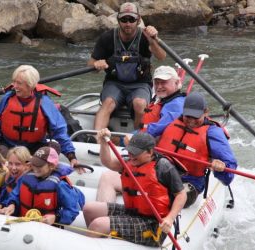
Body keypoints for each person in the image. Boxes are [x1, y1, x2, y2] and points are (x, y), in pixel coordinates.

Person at [96, 65, 186, 202]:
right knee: (113, 159)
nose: (160, 86)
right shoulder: (161, 100)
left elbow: (161, 126)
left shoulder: (176, 104)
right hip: (147, 150)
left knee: (116, 155)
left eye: (164, 82)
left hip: (156, 156)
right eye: (157, 83)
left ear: (177, 83)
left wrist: (134, 138)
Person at [83, 129, 186, 247]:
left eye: (135, 153)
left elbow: (181, 195)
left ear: (150, 152)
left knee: (98, 224)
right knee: (89, 209)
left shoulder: (163, 167)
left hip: (153, 225)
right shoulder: (131, 162)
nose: (131, 155)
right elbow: (108, 162)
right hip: (132, 213)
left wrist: (170, 218)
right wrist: (104, 143)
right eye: (130, 151)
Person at [88, 2, 166, 130]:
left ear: (138, 19)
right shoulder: (107, 38)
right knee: (107, 103)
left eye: (132, 19)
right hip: (114, 83)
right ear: (118, 20)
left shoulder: (146, 36)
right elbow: (91, 64)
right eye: (124, 19)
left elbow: (162, 57)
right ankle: (98, 140)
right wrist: (96, 65)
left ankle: (136, 139)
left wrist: (153, 40)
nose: (128, 23)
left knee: (140, 104)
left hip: (140, 84)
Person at [0, 65, 82, 172]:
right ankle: (21, 164)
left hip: (34, 147)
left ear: (30, 85)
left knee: (53, 148)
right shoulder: (7, 99)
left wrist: (71, 156)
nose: (14, 86)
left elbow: (59, 130)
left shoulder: (44, 102)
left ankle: (30, 164)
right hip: (9, 146)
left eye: (19, 83)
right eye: (14, 82)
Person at [157, 91, 237, 207]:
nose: (191, 121)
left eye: (195, 117)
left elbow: (229, 174)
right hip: (162, 175)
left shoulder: (213, 133)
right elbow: (150, 131)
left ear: (206, 112)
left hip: (189, 182)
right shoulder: (173, 119)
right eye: (188, 116)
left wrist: (221, 168)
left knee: (164, 194)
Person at [0, 146, 84, 225]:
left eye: (39, 165)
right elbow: (15, 195)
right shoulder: (26, 177)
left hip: (47, 228)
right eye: (34, 163)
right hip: (24, 223)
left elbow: (72, 211)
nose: (35, 168)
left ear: (51, 166)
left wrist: (56, 218)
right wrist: (12, 204)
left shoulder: (61, 185)